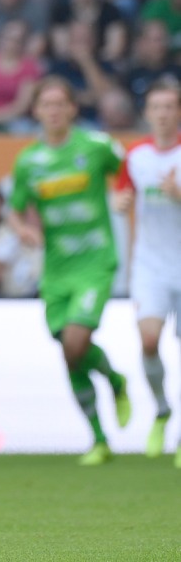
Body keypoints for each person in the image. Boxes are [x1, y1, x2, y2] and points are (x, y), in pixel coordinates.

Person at [7, 76, 131, 466]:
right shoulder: (29, 161)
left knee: (75, 343)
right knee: (70, 354)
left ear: (73, 109)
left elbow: (127, 168)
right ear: (37, 112)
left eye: (61, 104)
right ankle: (98, 439)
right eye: (47, 105)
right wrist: (22, 228)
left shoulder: (94, 147)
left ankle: (114, 381)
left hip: (95, 262)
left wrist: (122, 194)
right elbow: (15, 207)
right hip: (56, 270)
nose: (54, 111)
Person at [113, 79, 181, 464]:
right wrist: (122, 203)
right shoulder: (136, 155)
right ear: (147, 113)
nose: (162, 113)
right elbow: (124, 193)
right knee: (150, 342)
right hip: (150, 266)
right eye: (156, 107)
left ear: (178, 112)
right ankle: (161, 410)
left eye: (169, 106)